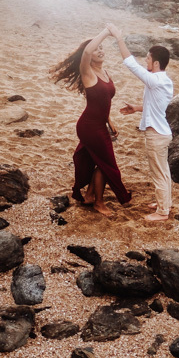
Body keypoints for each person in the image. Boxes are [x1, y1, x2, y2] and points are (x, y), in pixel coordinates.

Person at [49, 26, 132, 216]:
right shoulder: (87, 72)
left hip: (99, 125)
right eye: (96, 49)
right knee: (107, 164)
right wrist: (106, 32)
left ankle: (88, 196)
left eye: (102, 48)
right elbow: (86, 52)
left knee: (100, 162)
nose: (100, 51)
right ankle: (99, 203)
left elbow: (102, 101)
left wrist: (109, 120)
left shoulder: (105, 72)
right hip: (90, 127)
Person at [107, 23, 173, 222]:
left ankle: (162, 212)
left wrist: (119, 38)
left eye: (148, 58)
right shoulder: (162, 80)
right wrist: (136, 108)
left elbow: (131, 65)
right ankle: (165, 203)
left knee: (158, 173)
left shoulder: (156, 80)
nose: (145, 61)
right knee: (163, 171)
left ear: (156, 63)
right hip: (162, 133)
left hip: (156, 135)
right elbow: (156, 107)